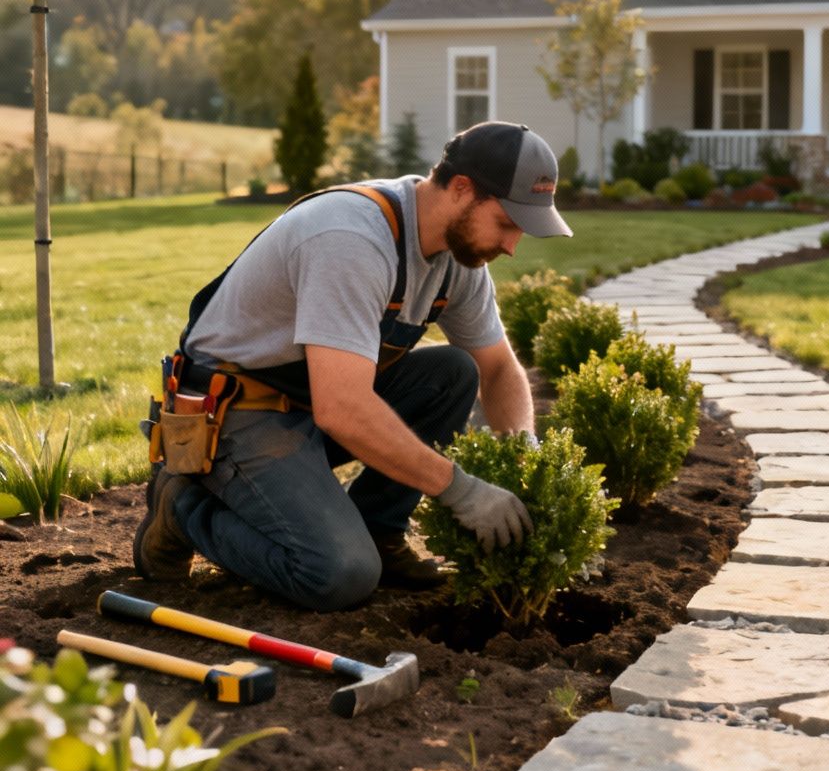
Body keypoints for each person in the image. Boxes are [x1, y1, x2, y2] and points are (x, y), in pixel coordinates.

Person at [134, 121, 574, 611]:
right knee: (337, 573)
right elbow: (342, 408)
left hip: (305, 403)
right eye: (507, 223)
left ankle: (379, 530)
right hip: (236, 410)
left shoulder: (457, 258)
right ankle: (182, 508)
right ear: (462, 189)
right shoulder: (351, 239)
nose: (512, 246)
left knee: (453, 374)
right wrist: (460, 489)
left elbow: (498, 369)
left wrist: (526, 460)